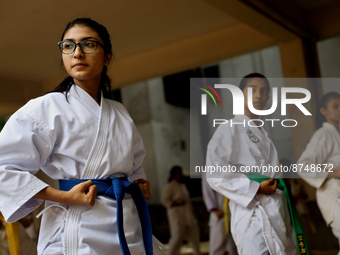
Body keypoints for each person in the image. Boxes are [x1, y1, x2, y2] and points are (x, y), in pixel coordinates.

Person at [0, 18, 163, 255]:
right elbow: (4, 167)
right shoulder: (44, 108)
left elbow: (133, 165)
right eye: (68, 45)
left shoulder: (119, 112)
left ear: (107, 56)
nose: (77, 53)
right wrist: (63, 196)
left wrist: (138, 182)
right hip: (76, 229)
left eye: (88, 44)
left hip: (126, 225)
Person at [206, 73, 297, 255]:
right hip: (252, 212)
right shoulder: (229, 128)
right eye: (252, 90)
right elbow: (215, 173)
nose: (258, 96)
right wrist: (256, 188)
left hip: (276, 210)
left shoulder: (263, 134)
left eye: (264, 92)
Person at [297, 92, 340, 254]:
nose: (339, 110)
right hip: (333, 195)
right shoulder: (323, 134)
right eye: (335, 106)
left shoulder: (337, 134)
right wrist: (335, 173)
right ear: (324, 111)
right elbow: (303, 166)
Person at [161, 166, 201, 255]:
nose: (181, 175)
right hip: (177, 215)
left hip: (187, 214)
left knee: (194, 236)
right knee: (177, 237)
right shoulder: (169, 186)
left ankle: (197, 253)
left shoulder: (182, 186)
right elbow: (165, 201)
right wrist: (178, 203)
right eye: (179, 173)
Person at [202, 176, 238, 255]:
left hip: (232, 214)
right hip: (219, 214)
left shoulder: (229, 168)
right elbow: (207, 192)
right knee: (217, 246)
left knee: (235, 247)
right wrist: (214, 209)